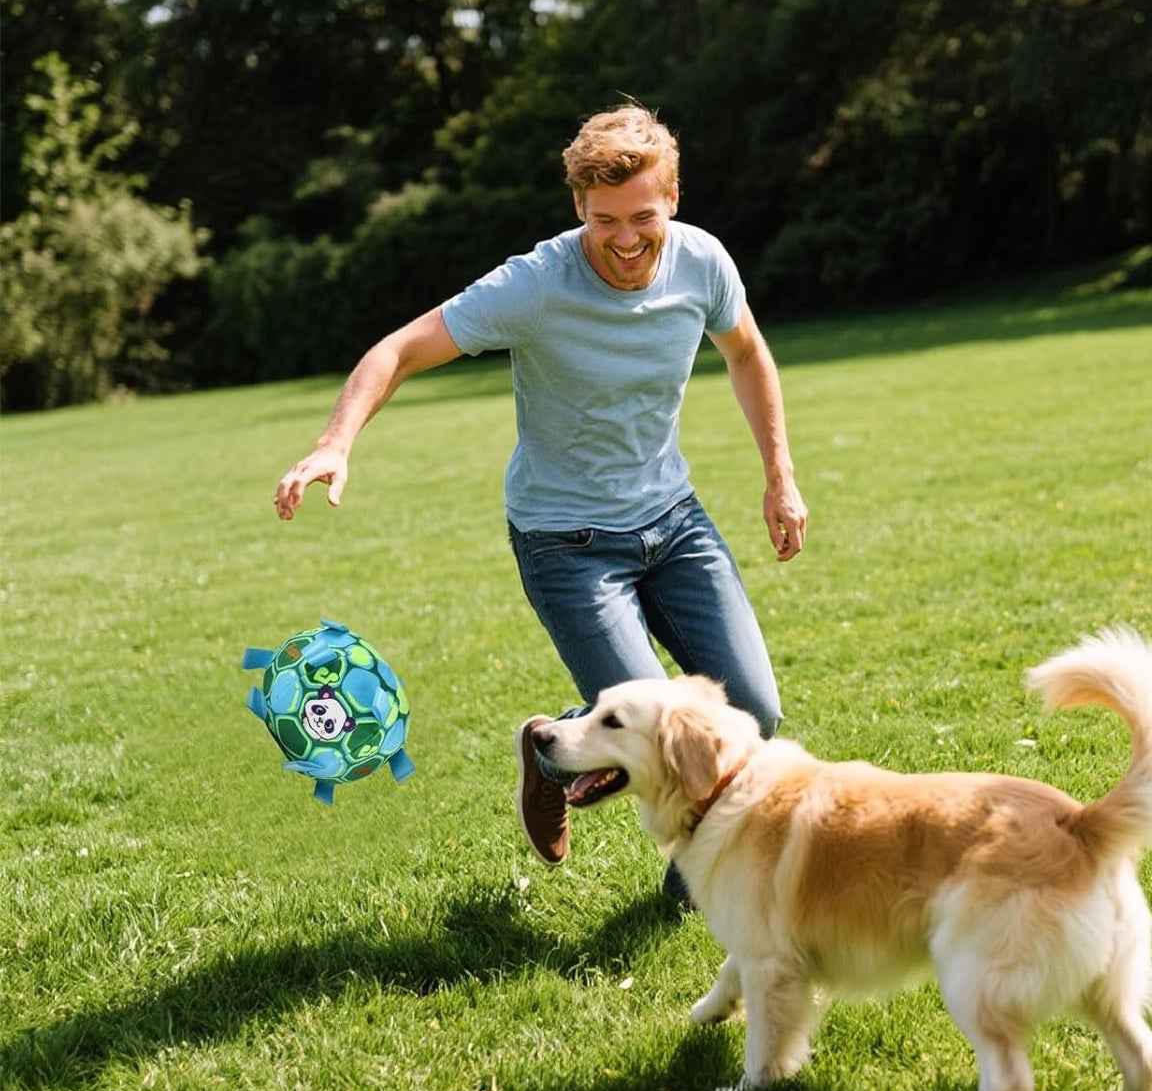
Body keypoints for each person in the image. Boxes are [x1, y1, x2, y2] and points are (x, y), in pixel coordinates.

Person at [273, 104, 807, 894]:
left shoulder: (702, 262)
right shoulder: (534, 283)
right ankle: (692, 886)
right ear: (578, 210)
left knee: (752, 713)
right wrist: (335, 441)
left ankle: (553, 744)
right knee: (660, 733)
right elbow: (399, 349)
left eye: (644, 217)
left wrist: (779, 474)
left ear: (674, 201)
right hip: (568, 541)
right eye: (604, 221)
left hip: (673, 522)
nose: (625, 238)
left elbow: (746, 352)